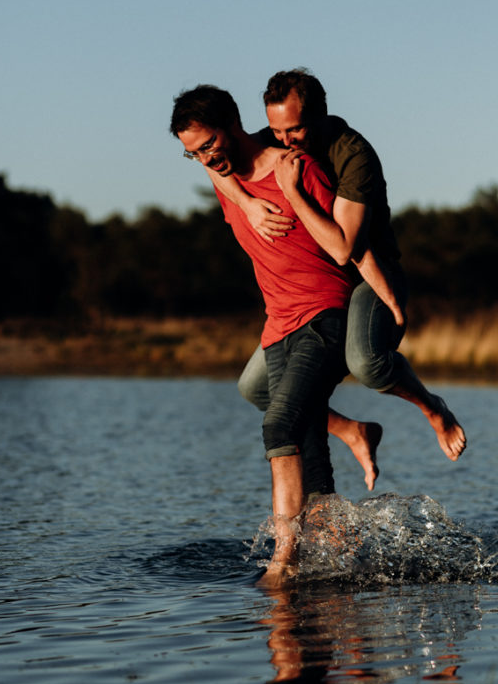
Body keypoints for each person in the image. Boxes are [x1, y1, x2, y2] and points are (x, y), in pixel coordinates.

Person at [208, 68, 466, 465]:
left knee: (367, 364)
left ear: (320, 115)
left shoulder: (354, 155)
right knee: (254, 388)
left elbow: (345, 249)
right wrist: (248, 203)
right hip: (317, 289)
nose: (283, 141)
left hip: (370, 275)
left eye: (293, 130)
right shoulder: (272, 141)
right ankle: (351, 430)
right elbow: (213, 161)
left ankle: (433, 408)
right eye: (276, 131)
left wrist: (292, 191)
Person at [170, 84, 356, 587]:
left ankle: (284, 562)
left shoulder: (300, 168)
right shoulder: (224, 174)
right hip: (277, 326)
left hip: (324, 314)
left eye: (209, 145)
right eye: (194, 154)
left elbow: (346, 246)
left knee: (279, 427)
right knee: (313, 466)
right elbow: (219, 169)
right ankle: (343, 566)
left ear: (234, 124)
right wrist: (249, 205)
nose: (206, 158)